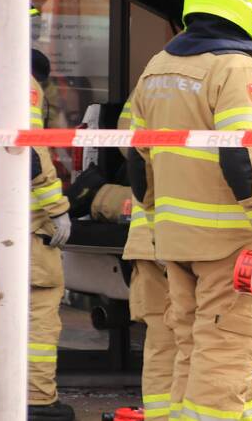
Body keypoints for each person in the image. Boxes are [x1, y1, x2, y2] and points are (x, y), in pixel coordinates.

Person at [128, 0, 252, 421]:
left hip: (177, 240)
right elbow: (243, 156)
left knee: (188, 348)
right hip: (231, 243)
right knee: (226, 351)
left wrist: (158, 221)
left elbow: (138, 159)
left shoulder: (157, 67)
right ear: (249, 10)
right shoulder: (235, 69)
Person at [0, 0, 75, 420]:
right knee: (36, 303)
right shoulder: (17, 81)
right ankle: (33, 402)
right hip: (20, 220)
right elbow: (29, 151)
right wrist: (57, 208)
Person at [65, 99, 175, 420]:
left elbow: (133, 149)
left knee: (162, 338)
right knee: (202, 339)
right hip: (192, 239)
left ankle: (160, 413)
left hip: (153, 234)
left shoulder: (156, 75)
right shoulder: (233, 76)